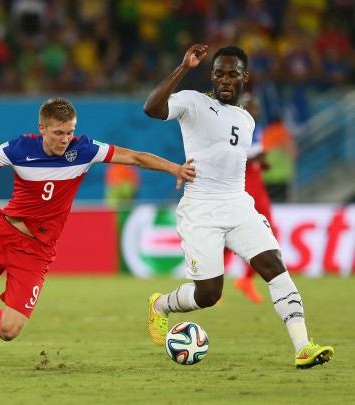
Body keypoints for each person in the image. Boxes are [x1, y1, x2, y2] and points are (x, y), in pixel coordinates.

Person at [0, 97, 196, 348]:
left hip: (36, 250)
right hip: (1, 234)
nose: (65, 139)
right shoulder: (19, 149)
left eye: (70, 131)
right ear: (42, 128)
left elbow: (136, 157)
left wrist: (175, 169)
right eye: (58, 132)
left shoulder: (84, 150)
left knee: (9, 332)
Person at [142, 44, 333, 369]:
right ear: (212, 76)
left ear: (245, 77)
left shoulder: (245, 119)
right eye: (219, 73)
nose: (225, 79)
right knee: (208, 294)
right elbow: (152, 108)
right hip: (201, 210)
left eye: (232, 73)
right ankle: (160, 305)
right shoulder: (193, 101)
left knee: (275, 267)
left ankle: (303, 347)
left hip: (239, 207)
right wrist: (183, 68)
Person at [230, 93, 274, 303]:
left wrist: (262, 163)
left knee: (270, 232)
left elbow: (255, 158)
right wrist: (255, 157)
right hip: (244, 190)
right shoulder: (235, 129)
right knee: (229, 237)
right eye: (250, 106)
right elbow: (235, 157)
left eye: (256, 107)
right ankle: (210, 280)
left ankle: (246, 279)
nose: (254, 110)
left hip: (258, 189)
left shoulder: (258, 130)